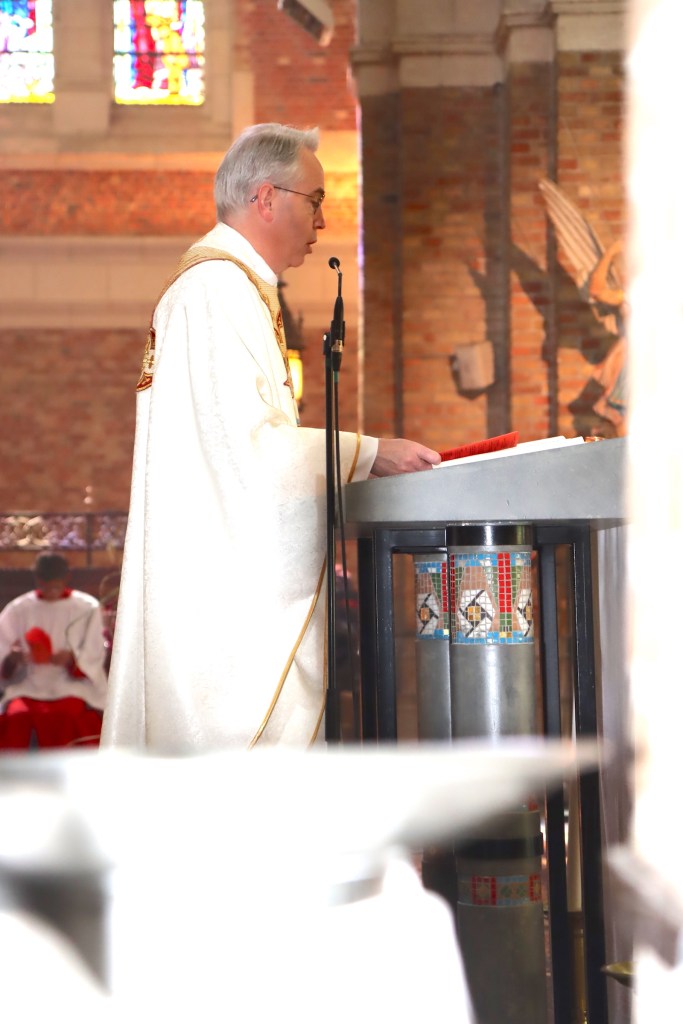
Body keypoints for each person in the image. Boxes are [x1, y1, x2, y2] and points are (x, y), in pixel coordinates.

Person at [102, 122, 440, 754]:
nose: (321, 221)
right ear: (265, 198)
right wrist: (369, 452)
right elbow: (250, 452)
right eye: (315, 201)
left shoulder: (228, 288)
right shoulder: (216, 292)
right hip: (221, 606)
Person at [0, 553, 108, 749]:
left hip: (71, 685)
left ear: (67, 578)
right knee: (17, 716)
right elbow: (3, 648)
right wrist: (14, 658)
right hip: (28, 684)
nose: (50, 592)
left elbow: (95, 652)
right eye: (45, 586)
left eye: (56, 587)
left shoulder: (86, 607)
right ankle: (13, 769)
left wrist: (72, 659)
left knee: (66, 716)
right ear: (37, 580)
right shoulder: (19, 608)